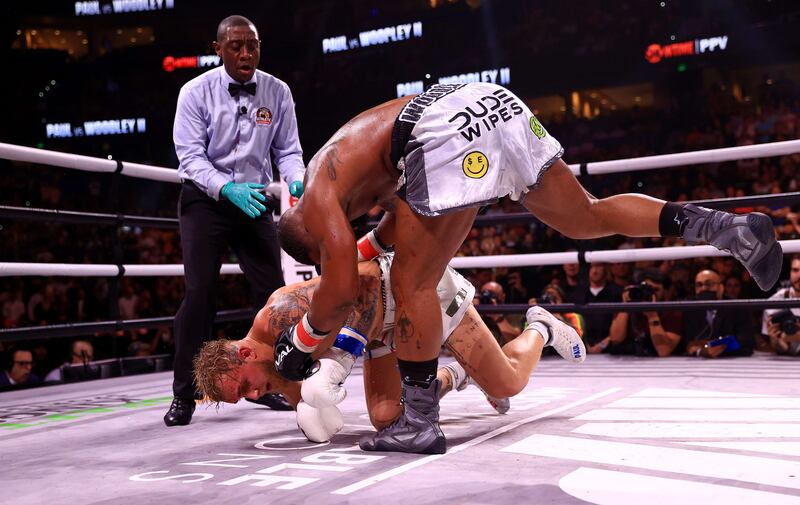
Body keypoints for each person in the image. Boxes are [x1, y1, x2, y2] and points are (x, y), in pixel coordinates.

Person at [274, 82, 782, 454]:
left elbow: (338, 288)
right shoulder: (353, 174)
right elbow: (386, 234)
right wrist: (357, 253)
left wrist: (299, 344)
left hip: (440, 130)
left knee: (413, 282)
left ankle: (419, 423)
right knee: (587, 213)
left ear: (315, 234)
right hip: (490, 103)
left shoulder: (317, 199)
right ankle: (720, 226)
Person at [193, 252, 584, 446]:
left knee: (508, 384)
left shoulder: (282, 314)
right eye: (245, 398)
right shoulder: (274, 372)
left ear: (245, 354)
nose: (255, 395)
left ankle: (540, 328)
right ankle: (456, 374)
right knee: (388, 420)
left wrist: (343, 355)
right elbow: (314, 403)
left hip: (405, 291)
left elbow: (364, 279)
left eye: (245, 386)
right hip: (381, 335)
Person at [166, 14, 306, 426]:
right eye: (236, 46)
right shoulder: (194, 92)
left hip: (256, 199)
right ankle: (184, 394)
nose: (246, 53)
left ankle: (273, 382)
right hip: (206, 200)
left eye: (252, 45)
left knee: (274, 296)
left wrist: (297, 182)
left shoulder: (277, 91)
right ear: (219, 49)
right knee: (200, 293)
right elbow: (190, 157)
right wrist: (225, 188)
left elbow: (289, 150)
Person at [608, 269, 683, 357]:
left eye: (655, 290)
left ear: (665, 293)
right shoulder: (629, 307)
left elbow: (663, 351)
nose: (650, 294)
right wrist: (626, 307)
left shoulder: (672, 312)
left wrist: (652, 316)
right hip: (629, 361)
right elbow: (616, 339)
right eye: (646, 289)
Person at [684, 269, 755, 358]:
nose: (703, 288)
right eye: (699, 285)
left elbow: (746, 341)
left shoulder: (737, 308)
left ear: (721, 287)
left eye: (709, 284)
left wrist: (720, 346)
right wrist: (700, 351)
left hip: (733, 362)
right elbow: (688, 344)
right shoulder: (690, 310)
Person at [762, 255, 800, 356]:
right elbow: (773, 346)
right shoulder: (775, 301)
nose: (799, 275)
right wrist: (777, 341)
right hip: (785, 363)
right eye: (795, 270)